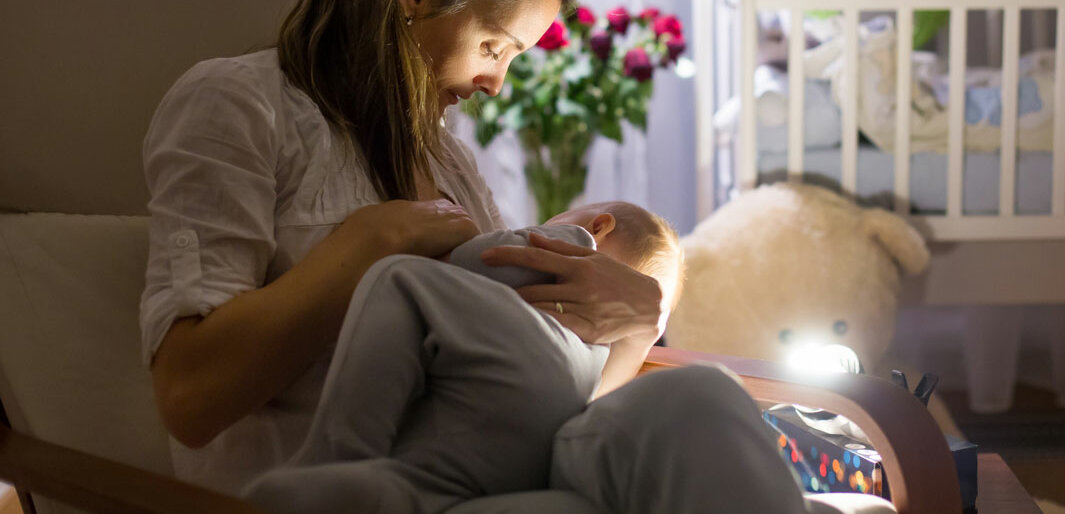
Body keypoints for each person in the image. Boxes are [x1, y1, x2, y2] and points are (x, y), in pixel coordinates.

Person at [139, 0, 812, 511]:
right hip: (372, 492)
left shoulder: (448, 160)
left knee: (699, 396)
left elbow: (533, 388)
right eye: (495, 45)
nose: (497, 85)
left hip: (503, 476)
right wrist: (371, 247)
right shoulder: (240, 105)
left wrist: (637, 323)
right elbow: (190, 395)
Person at [240, 202, 682, 513]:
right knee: (418, 489)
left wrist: (447, 253)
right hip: (521, 451)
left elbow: (493, 261)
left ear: (600, 226)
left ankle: (341, 457)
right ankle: (390, 493)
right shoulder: (604, 351)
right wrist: (647, 329)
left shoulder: (574, 243)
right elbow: (620, 372)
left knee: (401, 280)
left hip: (516, 364)